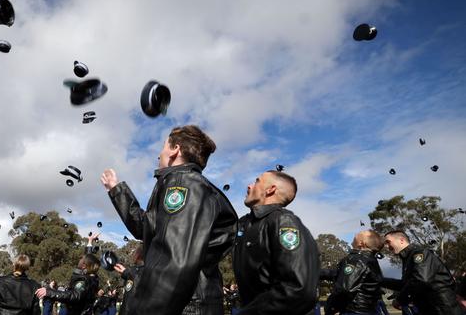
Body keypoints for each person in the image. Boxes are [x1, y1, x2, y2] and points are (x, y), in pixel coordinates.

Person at [101, 125, 237, 315]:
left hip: (185, 307)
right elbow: (144, 227)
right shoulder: (183, 184)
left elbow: (175, 263)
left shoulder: (184, 185)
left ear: (175, 149)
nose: (159, 155)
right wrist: (116, 190)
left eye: (163, 146)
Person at [232, 170, 320, 314]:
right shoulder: (243, 224)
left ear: (270, 189)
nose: (249, 186)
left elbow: (297, 289)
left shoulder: (284, 221)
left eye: (257, 181)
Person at [383, 230, 462, 315]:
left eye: (388, 242)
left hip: (442, 308)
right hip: (429, 308)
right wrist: (379, 280)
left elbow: (421, 280)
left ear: (401, 240)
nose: (386, 246)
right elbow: (405, 284)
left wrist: (400, 300)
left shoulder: (420, 253)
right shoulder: (408, 258)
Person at [325, 230, 385, 314]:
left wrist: (331, 307)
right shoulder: (371, 260)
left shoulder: (356, 260)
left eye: (360, 233)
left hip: (354, 311)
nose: (356, 233)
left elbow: (344, 289)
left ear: (361, 243)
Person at [35, 253, 100, 315]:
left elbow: (74, 295)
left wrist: (49, 292)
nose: (79, 259)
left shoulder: (83, 281)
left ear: (84, 266)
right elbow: (90, 260)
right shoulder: (93, 279)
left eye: (81, 259)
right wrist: (89, 244)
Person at [113, 245, 144, 315]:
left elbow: (129, 303)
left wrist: (127, 272)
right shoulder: (134, 271)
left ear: (138, 255)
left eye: (134, 253)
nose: (133, 255)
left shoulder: (135, 272)